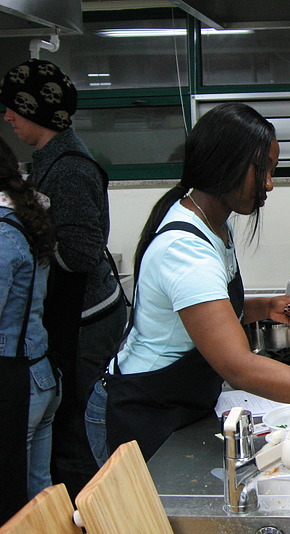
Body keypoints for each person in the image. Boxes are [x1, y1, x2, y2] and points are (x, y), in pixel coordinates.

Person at [84, 103, 290, 465]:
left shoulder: (212, 223)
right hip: (140, 413)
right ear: (224, 164)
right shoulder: (184, 249)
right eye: (264, 170)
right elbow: (237, 366)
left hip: (176, 405)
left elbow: (203, 312)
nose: (270, 184)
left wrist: (263, 306)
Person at [0, 59, 128, 498]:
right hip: (78, 319)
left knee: (75, 438)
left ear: (36, 110)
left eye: (14, 108)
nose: (8, 117)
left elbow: (82, 253)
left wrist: (34, 218)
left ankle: (91, 514)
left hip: (87, 322)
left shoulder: (69, 168)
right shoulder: (49, 159)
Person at [0, 138, 60, 523]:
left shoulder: (3, 234)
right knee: (39, 496)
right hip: (40, 375)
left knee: (13, 505)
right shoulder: (22, 216)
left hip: (16, 382)